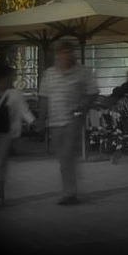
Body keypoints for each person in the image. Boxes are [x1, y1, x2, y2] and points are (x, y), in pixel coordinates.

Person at [40, 41, 98, 204]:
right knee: (63, 157)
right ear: (57, 54)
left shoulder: (83, 72)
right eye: (61, 53)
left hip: (73, 118)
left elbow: (93, 92)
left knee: (66, 154)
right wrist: (41, 119)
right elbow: (44, 98)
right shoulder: (49, 73)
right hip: (55, 120)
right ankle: (70, 187)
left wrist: (83, 107)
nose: (65, 56)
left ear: (73, 53)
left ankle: (70, 193)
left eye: (68, 52)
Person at [0, 64, 36, 208]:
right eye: (11, 76)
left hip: (5, 134)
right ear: (1, 78)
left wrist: (33, 122)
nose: (13, 79)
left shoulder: (15, 94)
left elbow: (24, 110)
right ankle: (0, 196)